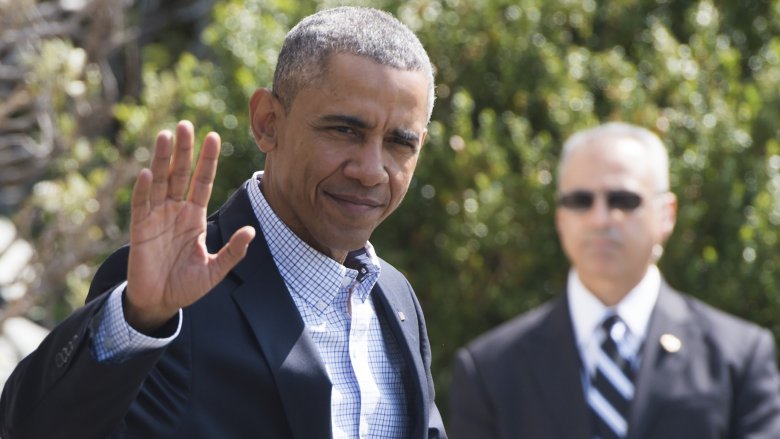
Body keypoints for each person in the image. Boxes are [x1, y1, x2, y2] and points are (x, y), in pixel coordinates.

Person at [1, 6, 447, 438]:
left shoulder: (394, 297)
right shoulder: (173, 294)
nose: (371, 170)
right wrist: (135, 320)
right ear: (267, 122)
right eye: (344, 131)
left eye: (398, 143)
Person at [448, 122, 780, 439]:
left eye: (623, 200)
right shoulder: (490, 370)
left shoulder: (738, 358)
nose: (600, 218)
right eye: (580, 201)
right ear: (560, 217)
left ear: (667, 214)